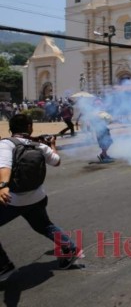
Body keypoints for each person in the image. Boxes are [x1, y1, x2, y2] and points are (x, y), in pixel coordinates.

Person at [0, 114, 83, 281]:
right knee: (45, 226)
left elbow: (4, 165)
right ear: (30, 127)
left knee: (44, 226)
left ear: (10, 128)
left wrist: (3, 186)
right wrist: (52, 144)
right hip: (36, 197)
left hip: (13, 200)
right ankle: (71, 250)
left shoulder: (6, 144)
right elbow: (56, 161)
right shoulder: (39, 146)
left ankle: (4, 266)